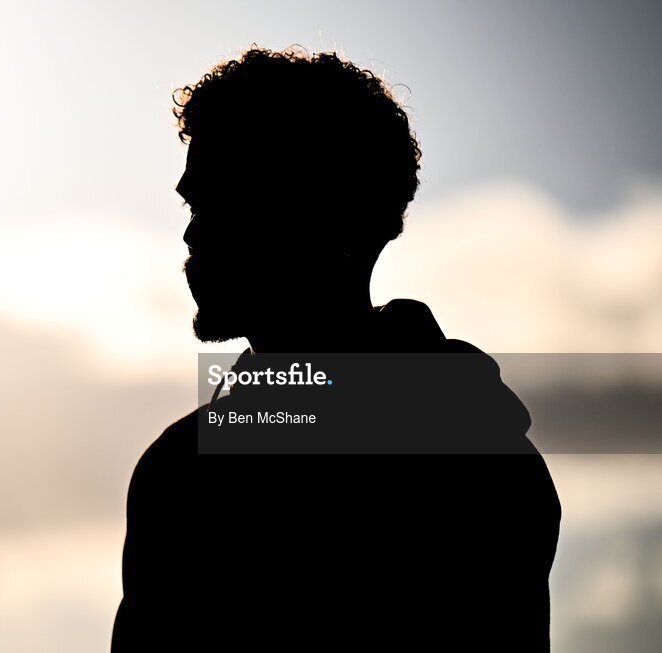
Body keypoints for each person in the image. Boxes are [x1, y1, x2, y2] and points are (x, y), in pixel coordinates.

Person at [111, 46, 562, 651]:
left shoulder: (479, 471)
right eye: (194, 204)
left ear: (320, 216)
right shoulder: (183, 469)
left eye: (223, 201)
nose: (193, 230)